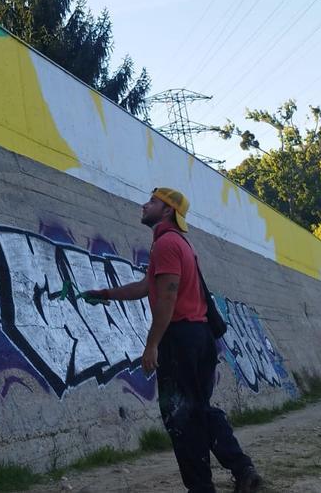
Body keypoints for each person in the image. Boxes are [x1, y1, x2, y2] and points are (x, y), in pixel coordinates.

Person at [79, 187, 262, 493]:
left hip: (181, 339)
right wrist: (107, 294)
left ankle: (203, 487)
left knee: (181, 415)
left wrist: (152, 345)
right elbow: (147, 286)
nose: (144, 205)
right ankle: (242, 469)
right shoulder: (180, 244)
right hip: (200, 336)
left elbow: (166, 297)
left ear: (166, 211)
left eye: (151, 202)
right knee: (199, 408)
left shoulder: (166, 244)